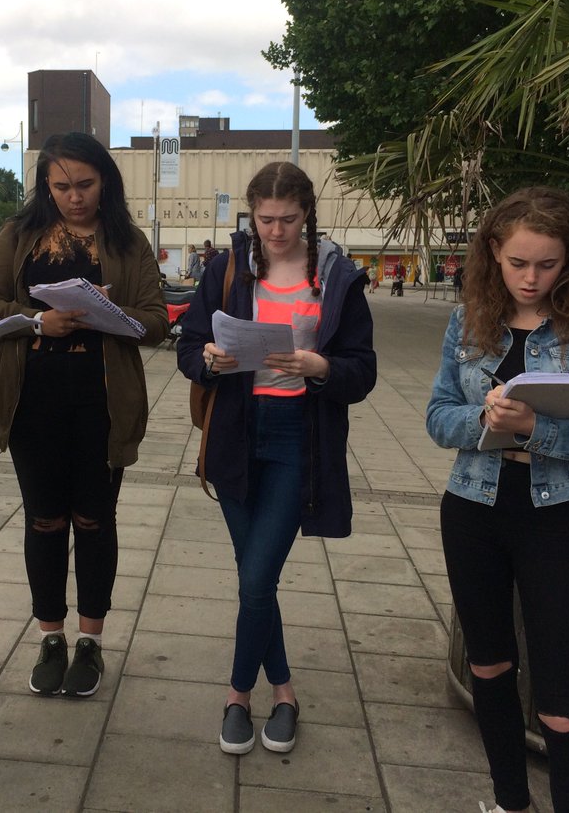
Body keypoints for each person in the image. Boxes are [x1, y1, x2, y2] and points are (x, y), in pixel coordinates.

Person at [426, 187, 569, 813]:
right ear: (494, 251)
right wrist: (484, 418)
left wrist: (534, 428)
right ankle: (509, 803)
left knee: (563, 703)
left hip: (555, 516)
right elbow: (438, 415)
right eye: (518, 262)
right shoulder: (469, 319)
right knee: (489, 668)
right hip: (472, 508)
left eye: (547, 264)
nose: (530, 277)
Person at [176, 161, 377, 756]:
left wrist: (320, 367)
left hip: (298, 438)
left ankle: (238, 695)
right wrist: (208, 360)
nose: (276, 231)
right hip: (236, 434)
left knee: (257, 575)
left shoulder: (337, 276)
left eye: (288, 219)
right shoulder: (228, 267)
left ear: (307, 213)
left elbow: (362, 370)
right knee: (254, 579)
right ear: (252, 214)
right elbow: (189, 344)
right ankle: (283, 692)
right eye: (265, 219)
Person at [0, 132, 167, 699]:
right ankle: (50, 636)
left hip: (102, 406)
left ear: (106, 182)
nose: (74, 197)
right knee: (44, 521)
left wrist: (104, 312)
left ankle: (90, 641)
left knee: (95, 520)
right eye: (61, 186)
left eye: (85, 184)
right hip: (33, 403)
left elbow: (156, 321)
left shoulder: (128, 242)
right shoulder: (20, 234)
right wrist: (38, 320)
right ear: (45, 186)